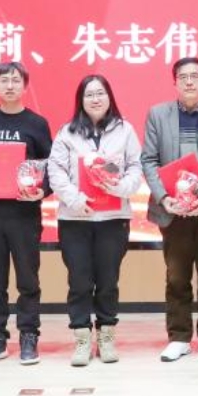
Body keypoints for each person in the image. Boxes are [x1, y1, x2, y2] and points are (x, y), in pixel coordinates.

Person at [141, 56, 198, 362]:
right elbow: (148, 159)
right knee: (176, 276)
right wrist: (163, 197)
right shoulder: (157, 114)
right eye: (183, 77)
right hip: (173, 210)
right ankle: (179, 337)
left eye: (195, 76)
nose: (190, 81)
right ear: (175, 82)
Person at [47, 74, 143, 368]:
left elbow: (135, 167)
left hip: (113, 219)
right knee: (79, 280)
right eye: (89, 94)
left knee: (107, 281)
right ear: (81, 100)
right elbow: (55, 171)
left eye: (100, 93)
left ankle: (106, 335)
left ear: (109, 97)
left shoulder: (125, 130)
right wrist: (75, 199)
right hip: (75, 219)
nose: (95, 99)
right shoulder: (67, 132)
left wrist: (118, 187)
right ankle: (81, 338)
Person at [0, 61, 53, 367]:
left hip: (25, 213)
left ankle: (29, 335)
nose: (10, 85)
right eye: (4, 80)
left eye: (16, 80)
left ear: (25, 86)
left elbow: (51, 166)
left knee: (28, 279)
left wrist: (44, 190)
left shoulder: (37, 123)